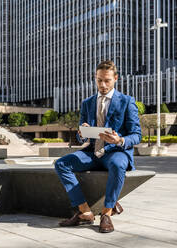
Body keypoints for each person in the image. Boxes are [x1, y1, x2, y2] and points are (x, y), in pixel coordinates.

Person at [54, 60, 141, 233]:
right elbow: (81, 135)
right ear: (95, 78)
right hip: (92, 152)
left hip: (116, 151)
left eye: (107, 80)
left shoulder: (127, 101)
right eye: (99, 80)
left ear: (115, 78)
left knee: (118, 164)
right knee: (61, 164)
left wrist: (119, 140)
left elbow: (136, 135)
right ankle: (84, 211)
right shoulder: (87, 103)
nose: (102, 84)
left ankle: (107, 213)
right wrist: (82, 132)